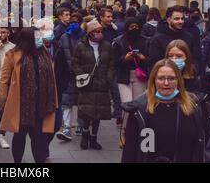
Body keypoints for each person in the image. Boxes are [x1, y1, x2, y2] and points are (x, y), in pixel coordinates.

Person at [121, 59, 206, 163]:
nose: (166, 83)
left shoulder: (193, 107)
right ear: (153, 80)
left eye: (171, 78)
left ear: (178, 80)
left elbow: (202, 145)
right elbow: (130, 152)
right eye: (161, 78)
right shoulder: (141, 110)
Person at [0, 27, 57, 163]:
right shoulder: (13, 55)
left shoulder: (44, 53)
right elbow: (4, 79)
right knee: (19, 136)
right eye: (37, 37)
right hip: (20, 105)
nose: (40, 40)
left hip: (40, 103)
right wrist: (2, 99)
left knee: (38, 138)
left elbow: (51, 78)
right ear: (28, 39)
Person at [73, 20, 114, 150]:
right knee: (86, 111)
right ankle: (85, 135)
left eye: (101, 31)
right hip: (87, 84)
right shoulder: (80, 46)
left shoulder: (107, 46)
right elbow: (75, 63)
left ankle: (94, 138)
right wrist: (82, 76)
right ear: (90, 33)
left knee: (98, 113)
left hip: (102, 84)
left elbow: (111, 64)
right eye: (97, 31)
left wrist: (108, 78)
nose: (99, 34)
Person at [113, 18, 148, 146]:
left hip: (140, 76)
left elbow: (150, 60)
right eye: (131, 26)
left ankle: (137, 133)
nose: (134, 29)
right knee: (127, 105)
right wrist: (125, 58)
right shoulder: (119, 41)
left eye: (136, 26)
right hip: (123, 77)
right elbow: (115, 61)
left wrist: (143, 58)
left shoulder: (145, 41)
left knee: (138, 106)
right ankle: (123, 133)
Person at [54, 17, 86, 141]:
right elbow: (59, 57)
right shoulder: (64, 37)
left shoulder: (85, 37)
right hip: (68, 75)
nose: (74, 24)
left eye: (76, 22)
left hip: (81, 74)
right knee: (67, 102)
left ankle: (80, 125)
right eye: (72, 22)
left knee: (80, 101)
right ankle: (67, 127)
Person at [148, 6, 201, 72]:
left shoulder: (189, 37)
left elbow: (196, 57)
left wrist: (192, 69)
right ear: (169, 20)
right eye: (177, 19)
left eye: (182, 19)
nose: (180, 21)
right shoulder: (157, 39)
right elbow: (153, 63)